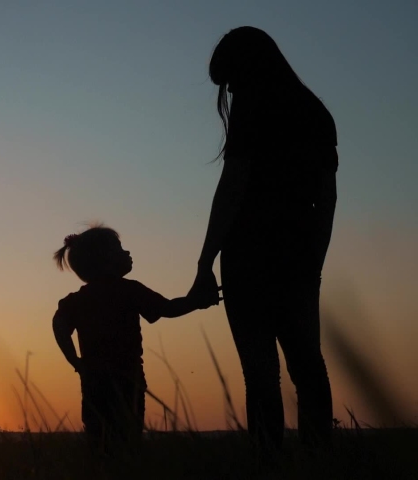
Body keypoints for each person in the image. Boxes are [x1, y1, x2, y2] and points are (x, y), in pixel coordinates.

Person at [187, 26, 338, 453]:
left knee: (261, 373)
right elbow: (326, 199)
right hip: (298, 257)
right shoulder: (315, 112)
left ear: (247, 68)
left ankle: (268, 462)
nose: (230, 89)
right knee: (308, 365)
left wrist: (204, 264)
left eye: (231, 78)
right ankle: (318, 461)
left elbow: (232, 189)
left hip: (248, 257)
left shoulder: (254, 109)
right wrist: (315, 260)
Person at [51, 224, 210, 453]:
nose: (127, 254)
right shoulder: (129, 290)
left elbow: (58, 325)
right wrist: (197, 301)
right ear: (104, 261)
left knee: (99, 439)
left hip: (93, 380)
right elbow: (168, 308)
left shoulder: (77, 300)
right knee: (128, 436)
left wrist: (75, 360)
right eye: (119, 250)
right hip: (128, 378)